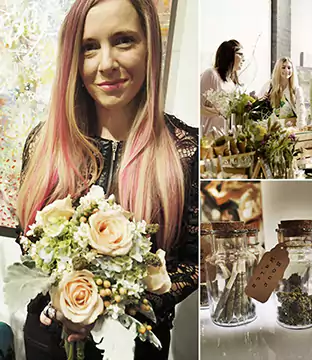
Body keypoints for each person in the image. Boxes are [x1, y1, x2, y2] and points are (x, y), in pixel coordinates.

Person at [16, 0, 198, 358]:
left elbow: (196, 262)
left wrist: (125, 303)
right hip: (47, 344)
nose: (107, 64)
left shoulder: (186, 151)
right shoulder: (42, 143)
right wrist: (60, 300)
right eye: (89, 47)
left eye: (124, 41)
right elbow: (30, 241)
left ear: (149, 48)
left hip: (137, 348)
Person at [200, 39, 244, 137]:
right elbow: (199, 107)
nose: (243, 59)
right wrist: (221, 112)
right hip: (208, 137)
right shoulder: (211, 74)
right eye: (240, 54)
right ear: (229, 54)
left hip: (223, 137)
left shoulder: (231, 84)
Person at [258, 57, 307, 128]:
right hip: (272, 129)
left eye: (289, 68)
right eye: (283, 67)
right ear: (278, 69)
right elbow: (258, 104)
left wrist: (300, 129)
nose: (287, 70)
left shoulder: (296, 89)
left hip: (290, 129)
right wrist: (263, 98)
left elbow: (301, 111)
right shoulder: (269, 85)